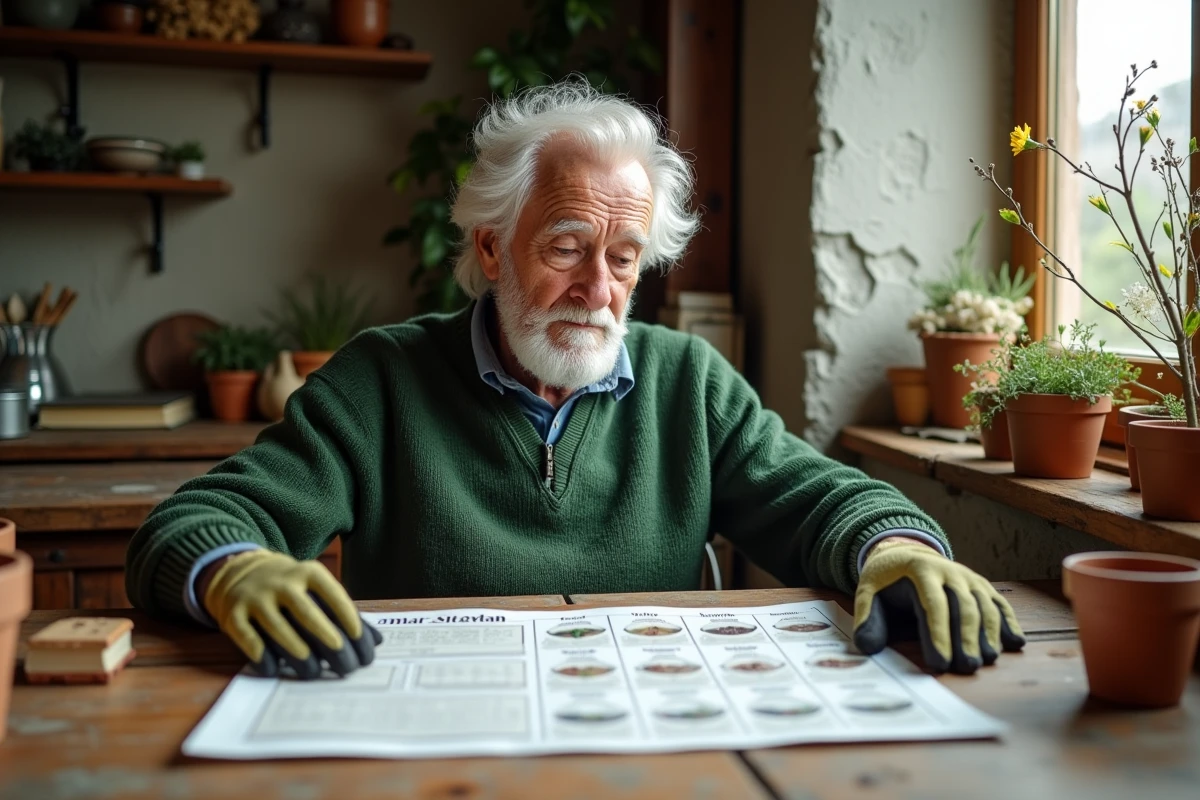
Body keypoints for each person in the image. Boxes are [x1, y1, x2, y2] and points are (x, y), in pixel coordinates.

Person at [126, 79, 1024, 681]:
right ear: (490, 247)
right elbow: (193, 523)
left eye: (624, 258)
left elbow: (812, 496)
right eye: (565, 248)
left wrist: (897, 547)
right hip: (430, 743)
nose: (599, 289)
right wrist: (232, 569)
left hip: (651, 729)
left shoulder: (690, 384)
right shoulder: (382, 381)